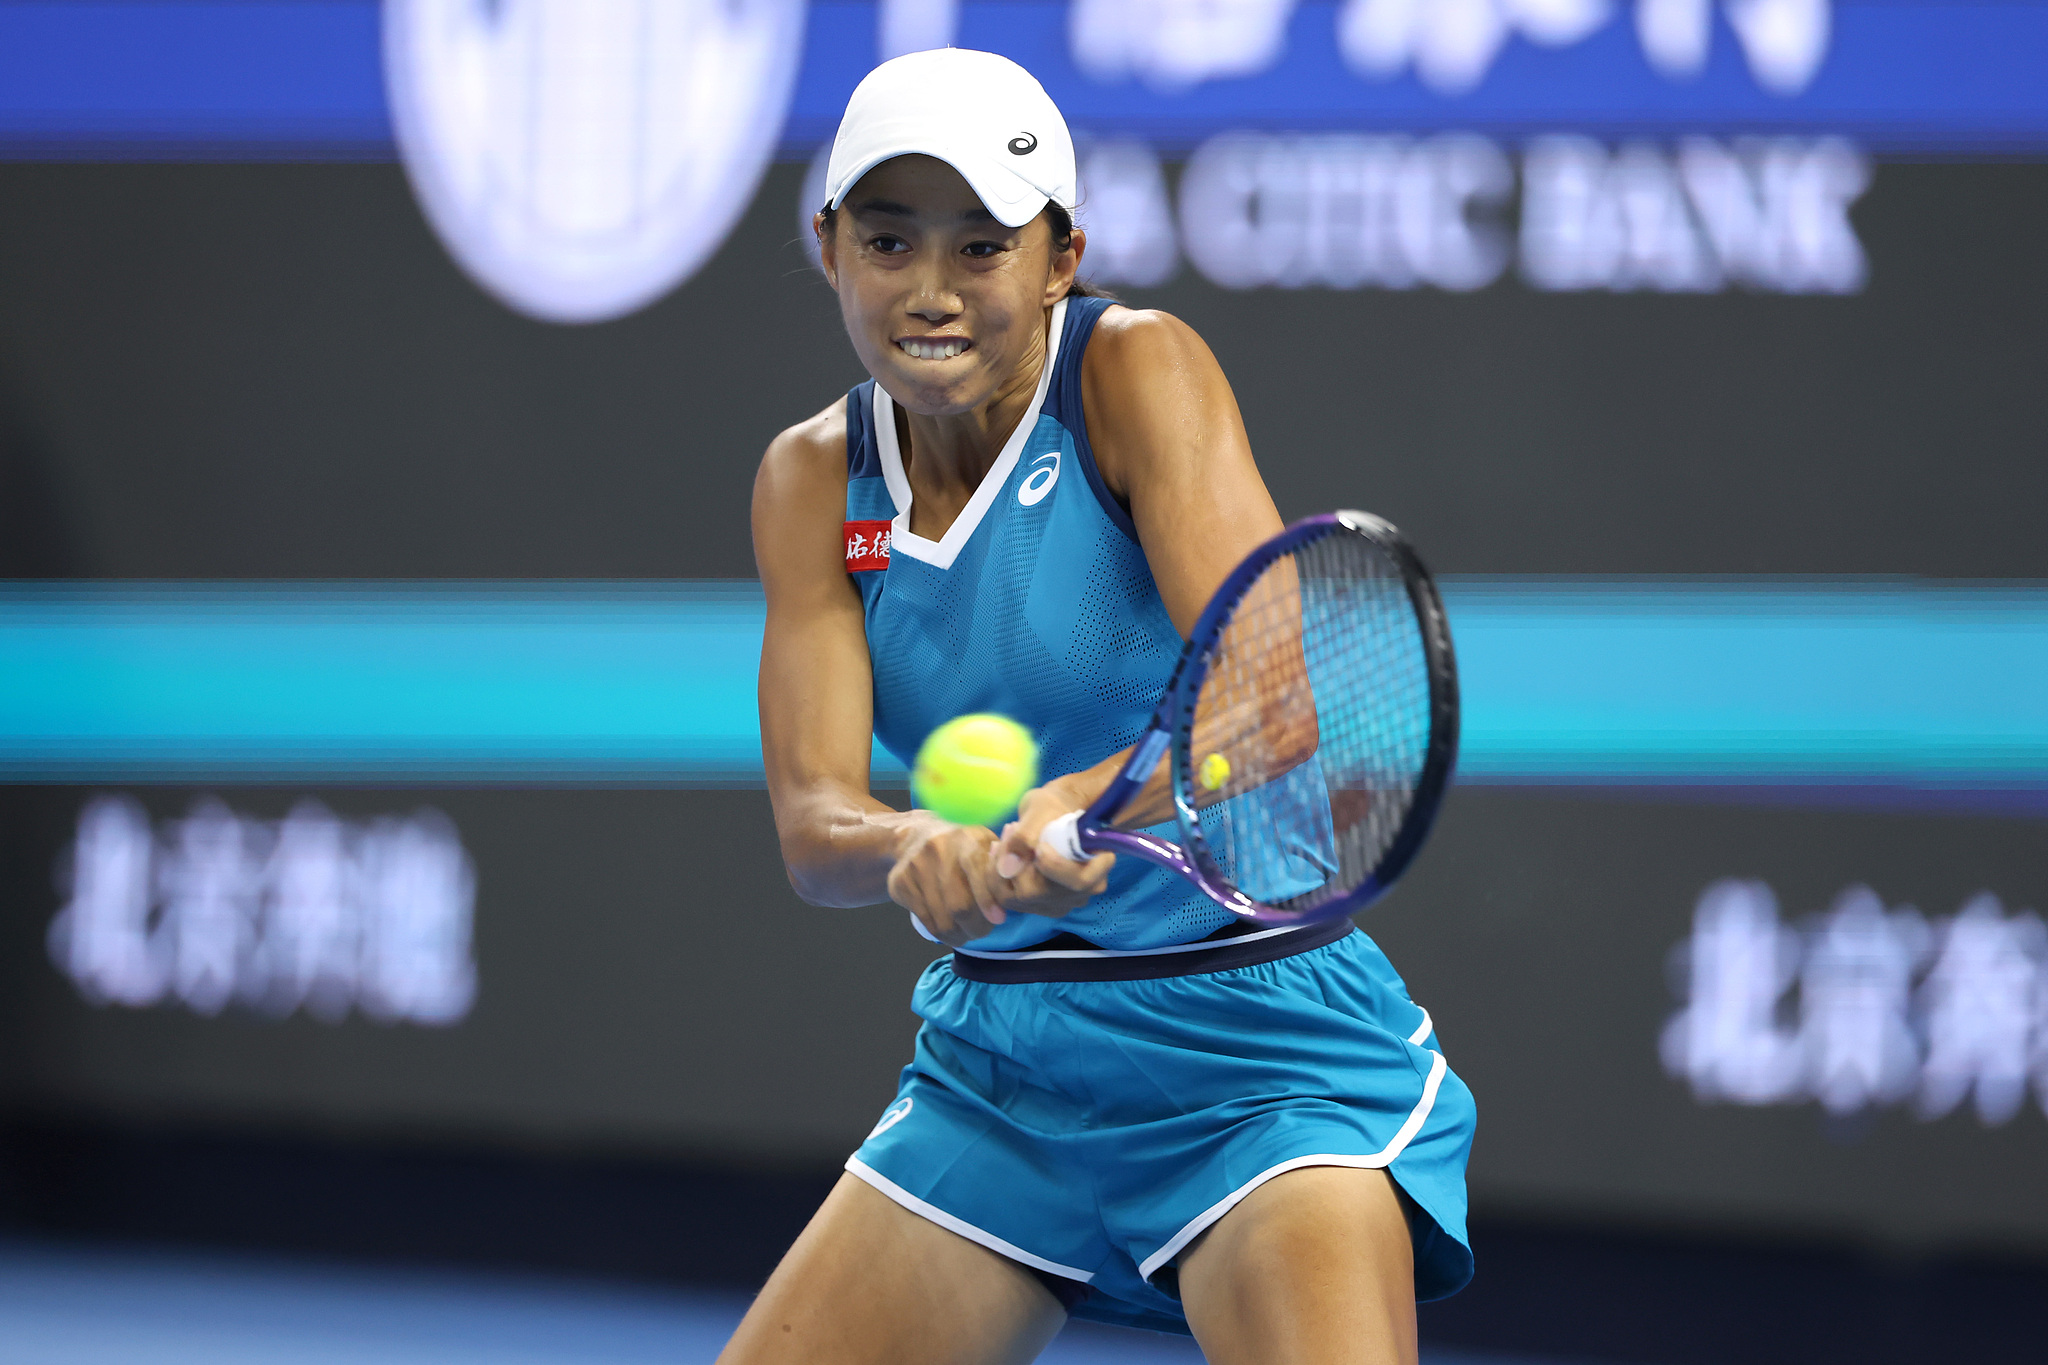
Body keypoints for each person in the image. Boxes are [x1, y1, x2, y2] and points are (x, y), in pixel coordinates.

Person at [724, 47, 1474, 1365]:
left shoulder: (1137, 373)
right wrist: (917, 849)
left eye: (982, 247)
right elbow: (813, 826)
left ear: (1061, 256)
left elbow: (1273, 689)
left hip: (1258, 1051)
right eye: (890, 241)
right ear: (831, 245)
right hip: (1005, 1072)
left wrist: (1102, 794)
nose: (933, 291)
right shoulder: (807, 480)